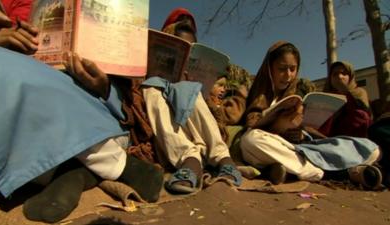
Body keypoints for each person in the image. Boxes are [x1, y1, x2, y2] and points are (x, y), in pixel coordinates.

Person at [0, 5, 163, 223]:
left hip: (95, 102)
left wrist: (105, 86)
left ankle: (84, 165)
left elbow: (132, 95)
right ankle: (78, 168)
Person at [239, 41, 382, 189]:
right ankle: (336, 173)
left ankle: (287, 169)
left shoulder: (297, 96)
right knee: (250, 140)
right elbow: (248, 124)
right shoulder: (253, 93)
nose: (288, 75)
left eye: (292, 69)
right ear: (269, 69)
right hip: (275, 146)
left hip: (305, 150)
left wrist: (301, 132)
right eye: (282, 69)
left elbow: (311, 134)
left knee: (370, 148)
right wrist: (278, 126)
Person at [139, 8, 242, 194]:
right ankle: (190, 161)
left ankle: (224, 159)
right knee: (152, 87)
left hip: (200, 129)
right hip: (174, 129)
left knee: (189, 89)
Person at [319, 61, 372, 138]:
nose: (339, 76)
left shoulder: (358, 93)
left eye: (344, 73)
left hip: (352, 140)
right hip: (324, 139)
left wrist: (345, 92)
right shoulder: (324, 97)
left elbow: (362, 118)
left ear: (350, 77)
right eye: (335, 74)